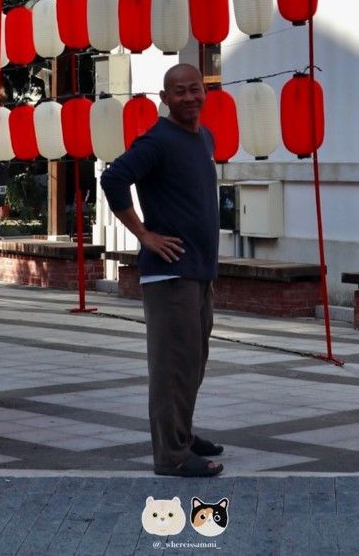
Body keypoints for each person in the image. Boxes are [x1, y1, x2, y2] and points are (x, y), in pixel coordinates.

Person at [100, 63, 225, 477]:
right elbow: (114, 179)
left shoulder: (203, 137)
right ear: (164, 98)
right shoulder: (157, 140)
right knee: (173, 365)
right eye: (179, 92)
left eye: (195, 89)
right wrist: (145, 235)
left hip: (199, 272)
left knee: (193, 361)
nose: (189, 97)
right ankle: (171, 456)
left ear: (204, 92)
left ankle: (182, 434)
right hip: (170, 275)